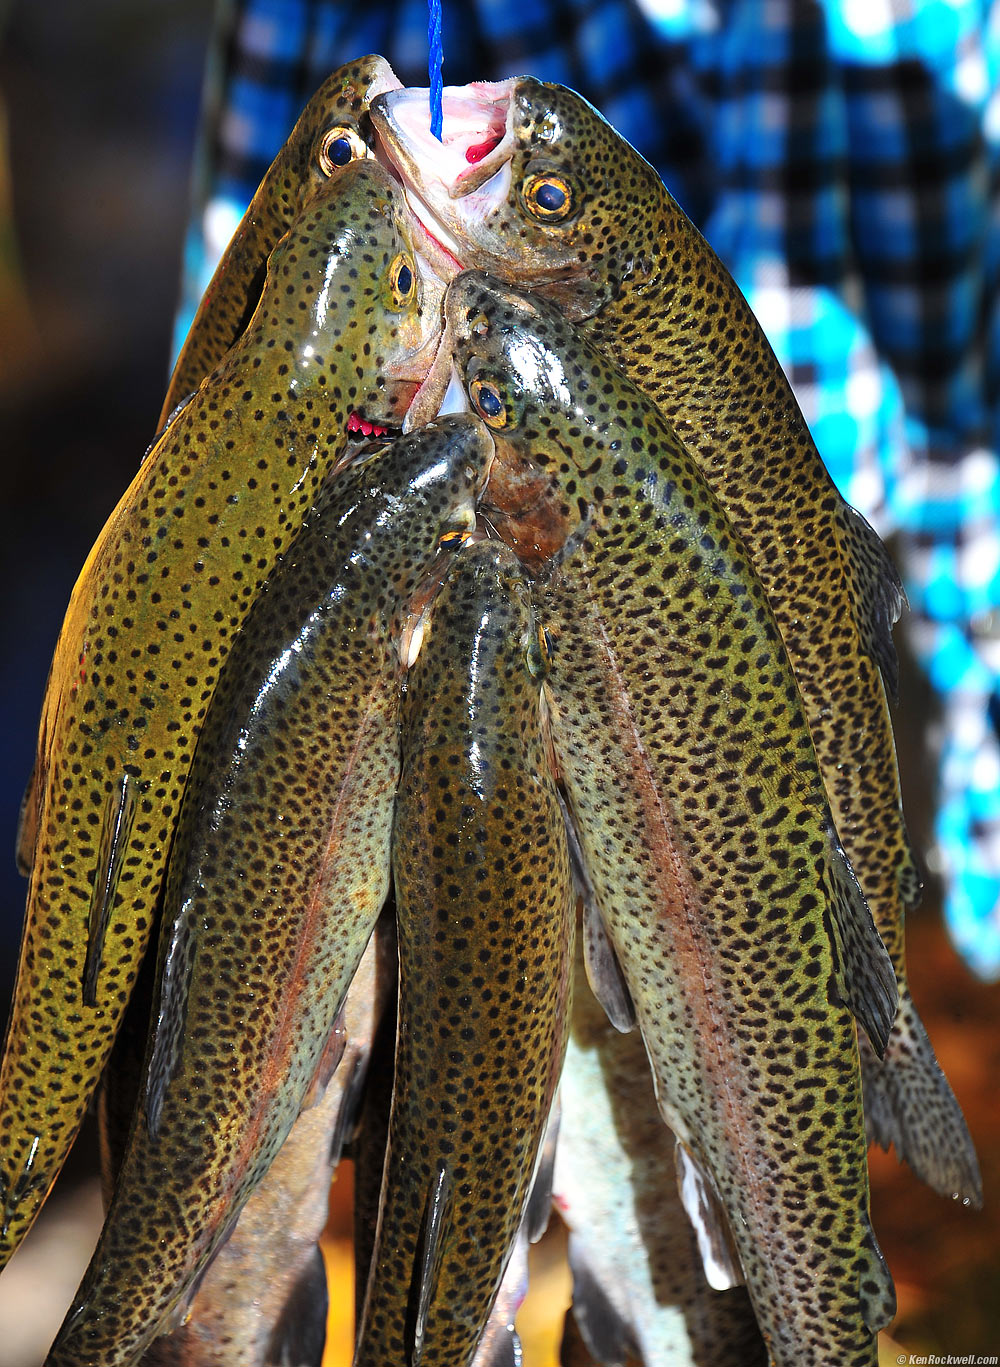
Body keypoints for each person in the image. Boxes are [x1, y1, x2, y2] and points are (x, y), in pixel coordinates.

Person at [175, 0, 1000, 977]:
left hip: (855, 581)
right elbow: (242, 383)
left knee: (830, 978)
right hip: (474, 656)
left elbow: (966, 387)